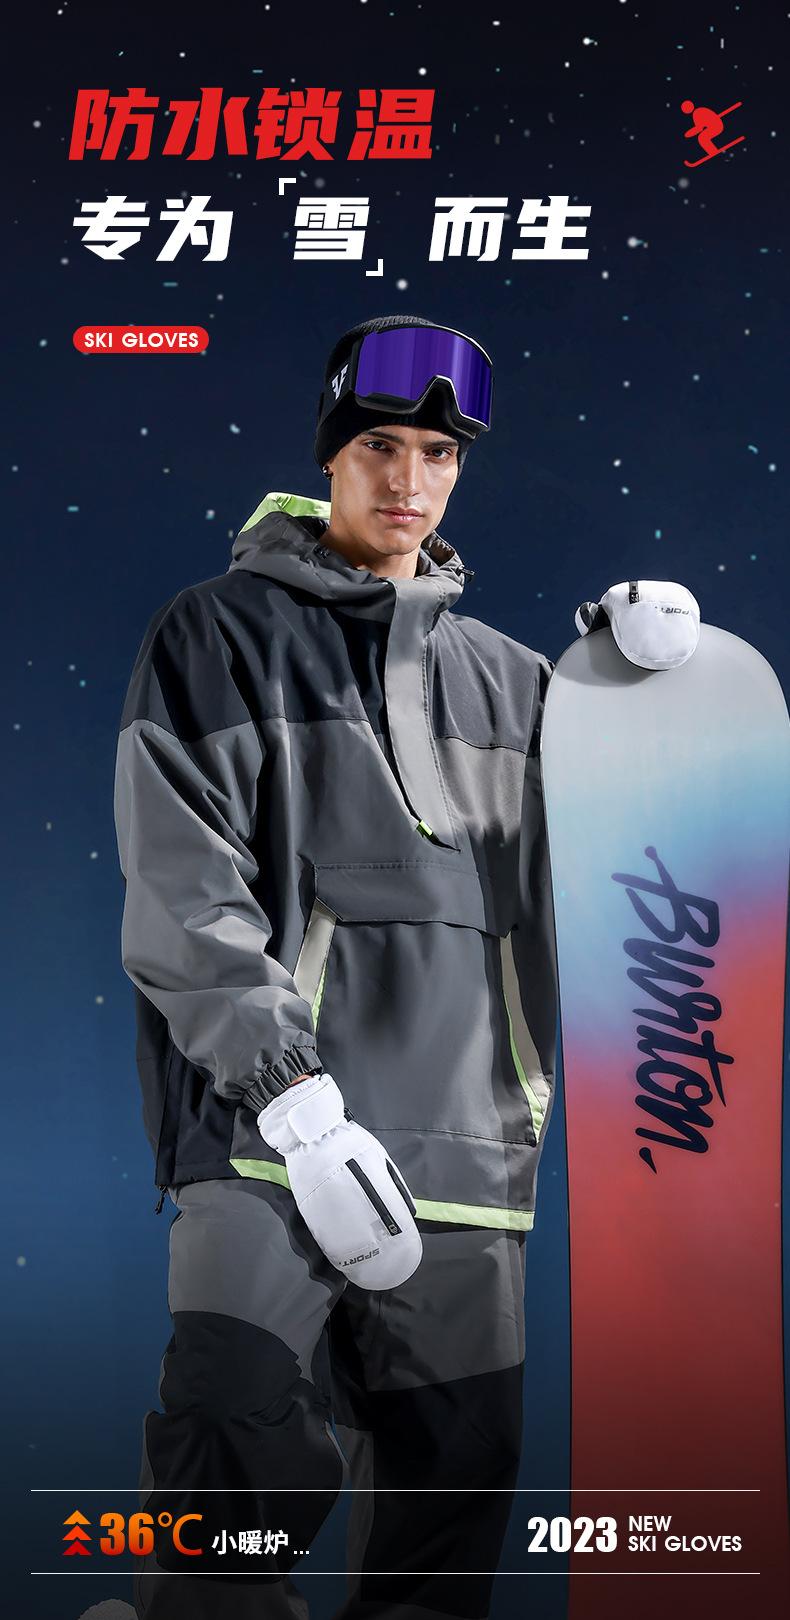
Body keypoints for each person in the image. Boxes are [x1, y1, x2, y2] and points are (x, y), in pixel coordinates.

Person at [113, 315, 690, 1620]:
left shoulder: (517, 684)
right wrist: (294, 1102)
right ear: (331, 454)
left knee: (444, 1517)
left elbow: (637, 860)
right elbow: (184, 889)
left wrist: (635, 695)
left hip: (471, 1158)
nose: (409, 480)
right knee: (228, 1453)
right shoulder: (219, 634)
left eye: (439, 454)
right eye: (380, 445)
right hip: (272, 1144)